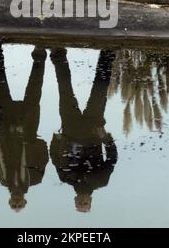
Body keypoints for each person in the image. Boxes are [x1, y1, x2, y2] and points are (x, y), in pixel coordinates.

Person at [49, 48, 118, 212]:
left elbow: (55, 157)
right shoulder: (101, 181)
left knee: (64, 90)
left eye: (79, 203)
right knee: (99, 90)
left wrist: (55, 141)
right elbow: (112, 158)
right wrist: (106, 138)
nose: (82, 201)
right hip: (93, 132)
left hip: (70, 129)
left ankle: (58, 54)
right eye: (84, 203)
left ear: (74, 200)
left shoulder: (65, 178)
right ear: (90, 201)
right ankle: (107, 53)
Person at [0, 42, 48, 211]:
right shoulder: (35, 179)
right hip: (28, 131)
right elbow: (43, 154)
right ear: (25, 201)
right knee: (35, 88)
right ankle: (40, 53)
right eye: (19, 203)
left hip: (4, 128)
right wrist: (32, 141)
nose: (17, 200)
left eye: (14, 203)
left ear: (9, 201)